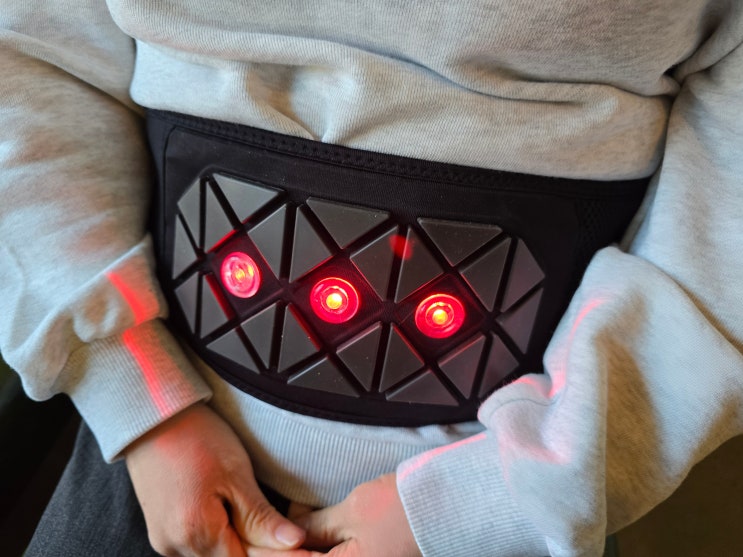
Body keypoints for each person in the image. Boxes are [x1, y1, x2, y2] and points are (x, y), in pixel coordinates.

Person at [1, 1, 741, 556]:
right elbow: (33, 59)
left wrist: (495, 500)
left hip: (507, 497)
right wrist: (139, 404)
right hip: (160, 451)